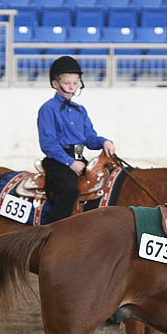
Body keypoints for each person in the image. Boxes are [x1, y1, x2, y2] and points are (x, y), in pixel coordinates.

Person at [37, 56, 115, 223]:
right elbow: (48, 144)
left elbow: (89, 138)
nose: (72, 87)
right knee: (69, 189)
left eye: (75, 83)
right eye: (67, 83)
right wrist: (70, 163)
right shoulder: (48, 109)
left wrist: (103, 142)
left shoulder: (80, 110)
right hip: (58, 160)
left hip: (79, 158)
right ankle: (53, 229)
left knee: (104, 182)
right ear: (55, 84)